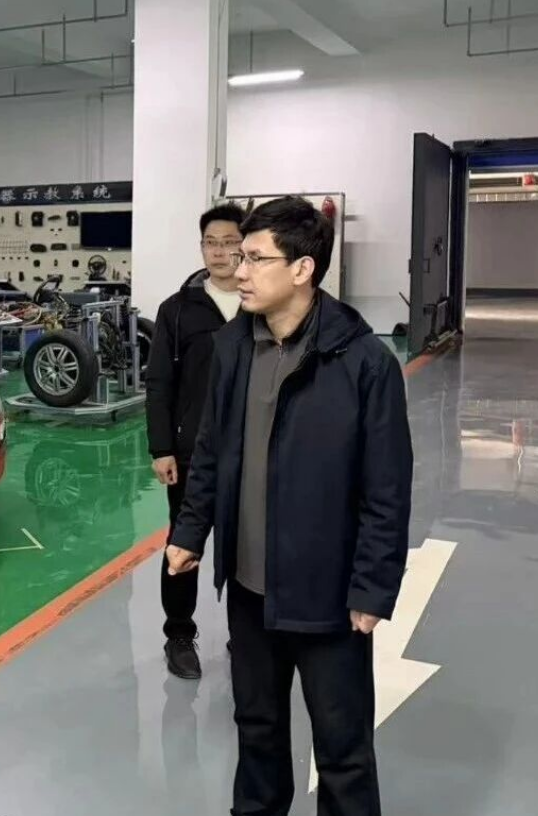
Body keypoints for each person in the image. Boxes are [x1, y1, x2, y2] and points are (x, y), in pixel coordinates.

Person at [166, 196, 413, 816]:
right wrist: (190, 531)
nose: (238, 270)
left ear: (302, 269)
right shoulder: (234, 346)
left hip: (328, 598)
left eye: (255, 258)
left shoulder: (363, 363)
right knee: (257, 731)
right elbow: (212, 449)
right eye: (237, 256)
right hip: (251, 591)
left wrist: (372, 587)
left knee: (342, 749)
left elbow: (386, 489)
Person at [144, 202, 246, 680]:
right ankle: (180, 635)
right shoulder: (178, 310)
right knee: (183, 545)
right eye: (211, 243)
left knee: (247, 547)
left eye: (230, 242)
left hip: (252, 450)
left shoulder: (260, 302)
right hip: (192, 454)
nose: (220, 252)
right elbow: (159, 383)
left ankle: (245, 634)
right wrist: (162, 447)